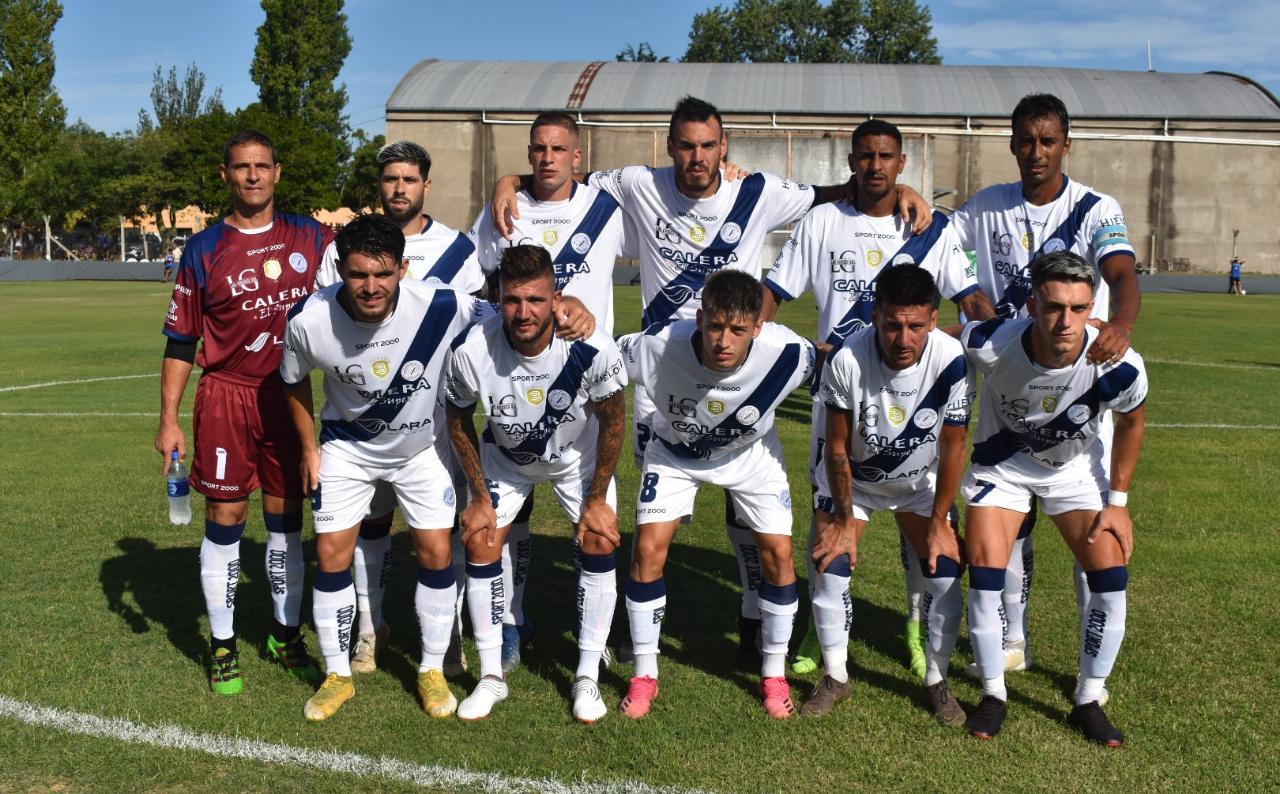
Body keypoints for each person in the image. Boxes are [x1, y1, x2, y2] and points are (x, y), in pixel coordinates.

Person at [491, 95, 932, 667]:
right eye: (686, 146)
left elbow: (835, 194)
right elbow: (560, 171)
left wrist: (900, 192)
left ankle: (753, 619)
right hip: (664, 371)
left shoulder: (759, 192)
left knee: (744, 510)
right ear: (670, 147)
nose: (697, 158)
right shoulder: (638, 183)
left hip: (737, 368)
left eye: (708, 146)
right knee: (654, 519)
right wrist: (511, 179)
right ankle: (636, 628)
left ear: (724, 149)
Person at [763, 119, 994, 679]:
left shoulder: (931, 229)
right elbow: (773, 293)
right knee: (830, 528)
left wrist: (1007, 344)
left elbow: (972, 303)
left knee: (926, 533)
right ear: (851, 161)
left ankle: (915, 632)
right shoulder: (822, 222)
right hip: (842, 395)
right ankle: (825, 639)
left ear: (902, 163)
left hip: (916, 401)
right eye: (865, 156)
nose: (875, 166)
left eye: (886, 156)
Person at [950, 93, 1141, 676]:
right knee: (1010, 524)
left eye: (1048, 141)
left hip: (1080, 387)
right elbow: (938, 244)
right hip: (1012, 378)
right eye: (1026, 141)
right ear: (1012, 143)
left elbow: (1121, 271)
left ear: (1066, 144)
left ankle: (1090, 665)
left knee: (1095, 540)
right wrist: (966, 297)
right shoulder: (985, 208)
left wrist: (1125, 323)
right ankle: (1012, 639)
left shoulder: (1095, 207)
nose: (1036, 152)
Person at [279, 212, 495, 722]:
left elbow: (509, 318)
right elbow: (291, 381)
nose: (371, 287)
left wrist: (569, 310)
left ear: (402, 268)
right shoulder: (309, 318)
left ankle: (430, 670)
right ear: (340, 270)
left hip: (422, 448)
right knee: (331, 552)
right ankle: (337, 675)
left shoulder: (443, 305)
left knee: (436, 552)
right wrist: (310, 448)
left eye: (382, 273)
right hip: (347, 449)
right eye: (357, 275)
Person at [156, 130, 332, 696]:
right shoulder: (203, 249)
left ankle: (284, 635)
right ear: (226, 175)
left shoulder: (315, 236)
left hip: (291, 397)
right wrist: (168, 418)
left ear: (277, 172)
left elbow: (374, 276)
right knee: (226, 520)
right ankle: (225, 644)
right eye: (241, 167)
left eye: (262, 165)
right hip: (226, 398)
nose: (252, 175)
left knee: (285, 522)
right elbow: (182, 341)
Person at [957, 250, 1147, 745]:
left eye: (1079, 309)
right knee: (985, 577)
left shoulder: (1118, 364)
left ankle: (1088, 698)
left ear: (1093, 309)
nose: (1066, 321)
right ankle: (994, 693)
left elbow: (1133, 422)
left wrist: (1118, 505)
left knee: (1110, 579)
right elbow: (930, 349)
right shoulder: (991, 344)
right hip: (1003, 470)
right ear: (1032, 304)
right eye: (1054, 307)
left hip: (1076, 476)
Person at [314, 141, 488, 680]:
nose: (399, 188)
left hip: (432, 423)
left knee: (441, 533)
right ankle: (371, 628)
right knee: (372, 526)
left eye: (410, 179)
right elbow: (332, 324)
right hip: (360, 423)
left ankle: (449, 638)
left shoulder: (458, 248)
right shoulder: (343, 250)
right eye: (390, 178)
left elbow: (478, 329)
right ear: (379, 184)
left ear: (426, 185)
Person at [616, 270, 816, 719]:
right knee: (647, 551)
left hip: (751, 457)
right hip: (674, 453)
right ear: (700, 317)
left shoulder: (787, 354)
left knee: (779, 556)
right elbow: (600, 361)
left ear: (758, 326)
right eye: (715, 326)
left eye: (738, 330)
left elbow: (834, 364)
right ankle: (644, 674)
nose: (724, 341)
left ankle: (773, 672)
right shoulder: (657, 346)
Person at [469, 112, 627, 671]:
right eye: (538, 149)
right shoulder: (503, 211)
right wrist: (505, 183)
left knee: (597, 524)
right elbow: (479, 284)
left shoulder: (607, 208)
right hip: (513, 379)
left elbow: (681, 206)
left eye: (559, 148)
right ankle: (511, 623)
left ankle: (595, 638)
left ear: (578, 156)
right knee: (504, 520)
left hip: (583, 391)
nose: (548, 158)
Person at [445, 245, 628, 722]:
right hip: (507, 461)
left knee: (599, 537)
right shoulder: (473, 349)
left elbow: (613, 423)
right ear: (498, 297)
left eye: (536, 300)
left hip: (576, 460)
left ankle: (586, 677)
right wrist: (481, 498)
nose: (523, 312)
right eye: (512, 300)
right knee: (481, 538)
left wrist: (596, 499)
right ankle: (490, 677)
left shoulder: (591, 347)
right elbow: (458, 419)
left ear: (556, 299)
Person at [806, 265, 974, 721]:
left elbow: (955, 445)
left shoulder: (950, 358)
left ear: (933, 321)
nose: (904, 339)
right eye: (893, 325)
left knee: (945, 575)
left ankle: (938, 681)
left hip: (920, 487)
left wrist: (940, 524)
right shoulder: (846, 360)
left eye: (916, 326)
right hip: (855, 483)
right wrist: (841, 521)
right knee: (830, 565)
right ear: (876, 316)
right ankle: (835, 676)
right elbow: (837, 448)